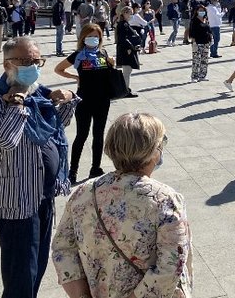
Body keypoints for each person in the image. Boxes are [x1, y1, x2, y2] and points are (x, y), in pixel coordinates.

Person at [51, 113, 193, 298]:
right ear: (153, 152)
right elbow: (171, 266)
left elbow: (62, 249)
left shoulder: (84, 192)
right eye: (161, 144)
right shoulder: (166, 200)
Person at [0, 37, 79, 298]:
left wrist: (68, 97)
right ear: (7, 64)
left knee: (36, 270)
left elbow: (59, 125)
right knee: (19, 279)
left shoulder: (40, 94)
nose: (32, 66)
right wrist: (17, 105)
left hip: (44, 198)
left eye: (37, 61)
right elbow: (5, 140)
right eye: (25, 61)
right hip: (17, 203)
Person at [54, 24, 116, 184]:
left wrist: (111, 63)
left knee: (99, 134)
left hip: (102, 100)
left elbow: (108, 73)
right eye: (90, 36)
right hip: (84, 100)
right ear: (83, 38)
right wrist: (75, 78)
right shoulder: (78, 55)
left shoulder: (103, 53)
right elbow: (58, 69)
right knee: (81, 135)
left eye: (96, 36)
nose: (93, 39)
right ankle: (73, 170)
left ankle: (96, 167)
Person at [115, 6, 141, 98]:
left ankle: (125, 89)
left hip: (126, 49)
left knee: (127, 70)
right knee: (127, 70)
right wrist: (130, 47)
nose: (131, 15)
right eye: (130, 13)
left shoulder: (125, 23)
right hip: (126, 50)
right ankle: (125, 90)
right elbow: (123, 38)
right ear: (125, 13)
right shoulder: (123, 24)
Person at [189, 6, 212, 83]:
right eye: (200, 10)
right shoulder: (194, 20)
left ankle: (202, 75)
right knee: (196, 60)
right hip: (198, 42)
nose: (202, 12)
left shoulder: (206, 20)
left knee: (204, 60)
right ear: (197, 11)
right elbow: (192, 32)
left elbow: (209, 30)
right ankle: (194, 76)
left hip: (206, 42)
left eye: (203, 10)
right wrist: (194, 43)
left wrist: (211, 39)